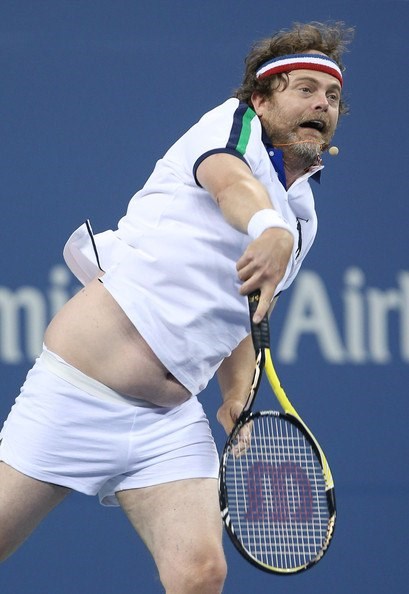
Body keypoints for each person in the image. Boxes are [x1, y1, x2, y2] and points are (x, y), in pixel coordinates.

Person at [0, 21, 353, 594]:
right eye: (305, 89)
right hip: (76, 394)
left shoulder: (302, 218)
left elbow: (242, 311)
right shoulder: (230, 126)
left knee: (200, 574)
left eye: (332, 96)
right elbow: (232, 185)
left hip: (167, 420)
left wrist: (235, 394)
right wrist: (267, 227)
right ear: (261, 100)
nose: (322, 104)